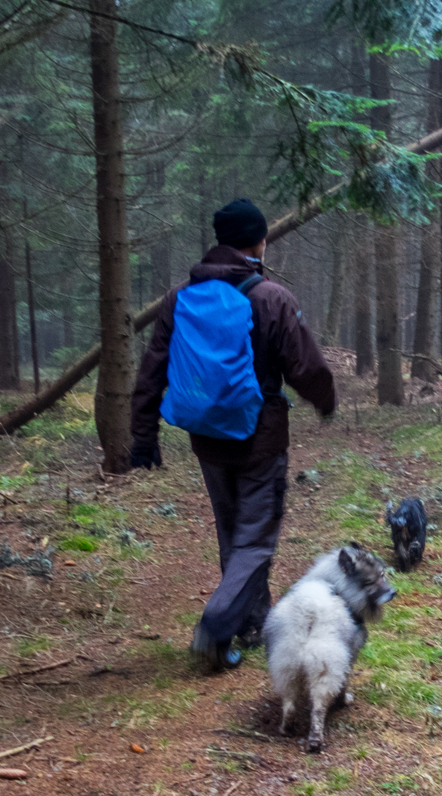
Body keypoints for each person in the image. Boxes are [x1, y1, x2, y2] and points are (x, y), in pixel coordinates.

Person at [130, 198, 336, 671]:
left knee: (233, 534)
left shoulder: (181, 298)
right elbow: (306, 366)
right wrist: (325, 401)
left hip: (207, 437)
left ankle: (254, 622)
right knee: (256, 540)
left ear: (220, 241)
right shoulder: (271, 297)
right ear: (259, 241)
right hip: (261, 437)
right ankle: (215, 627)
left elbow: (152, 370)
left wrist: (143, 437)